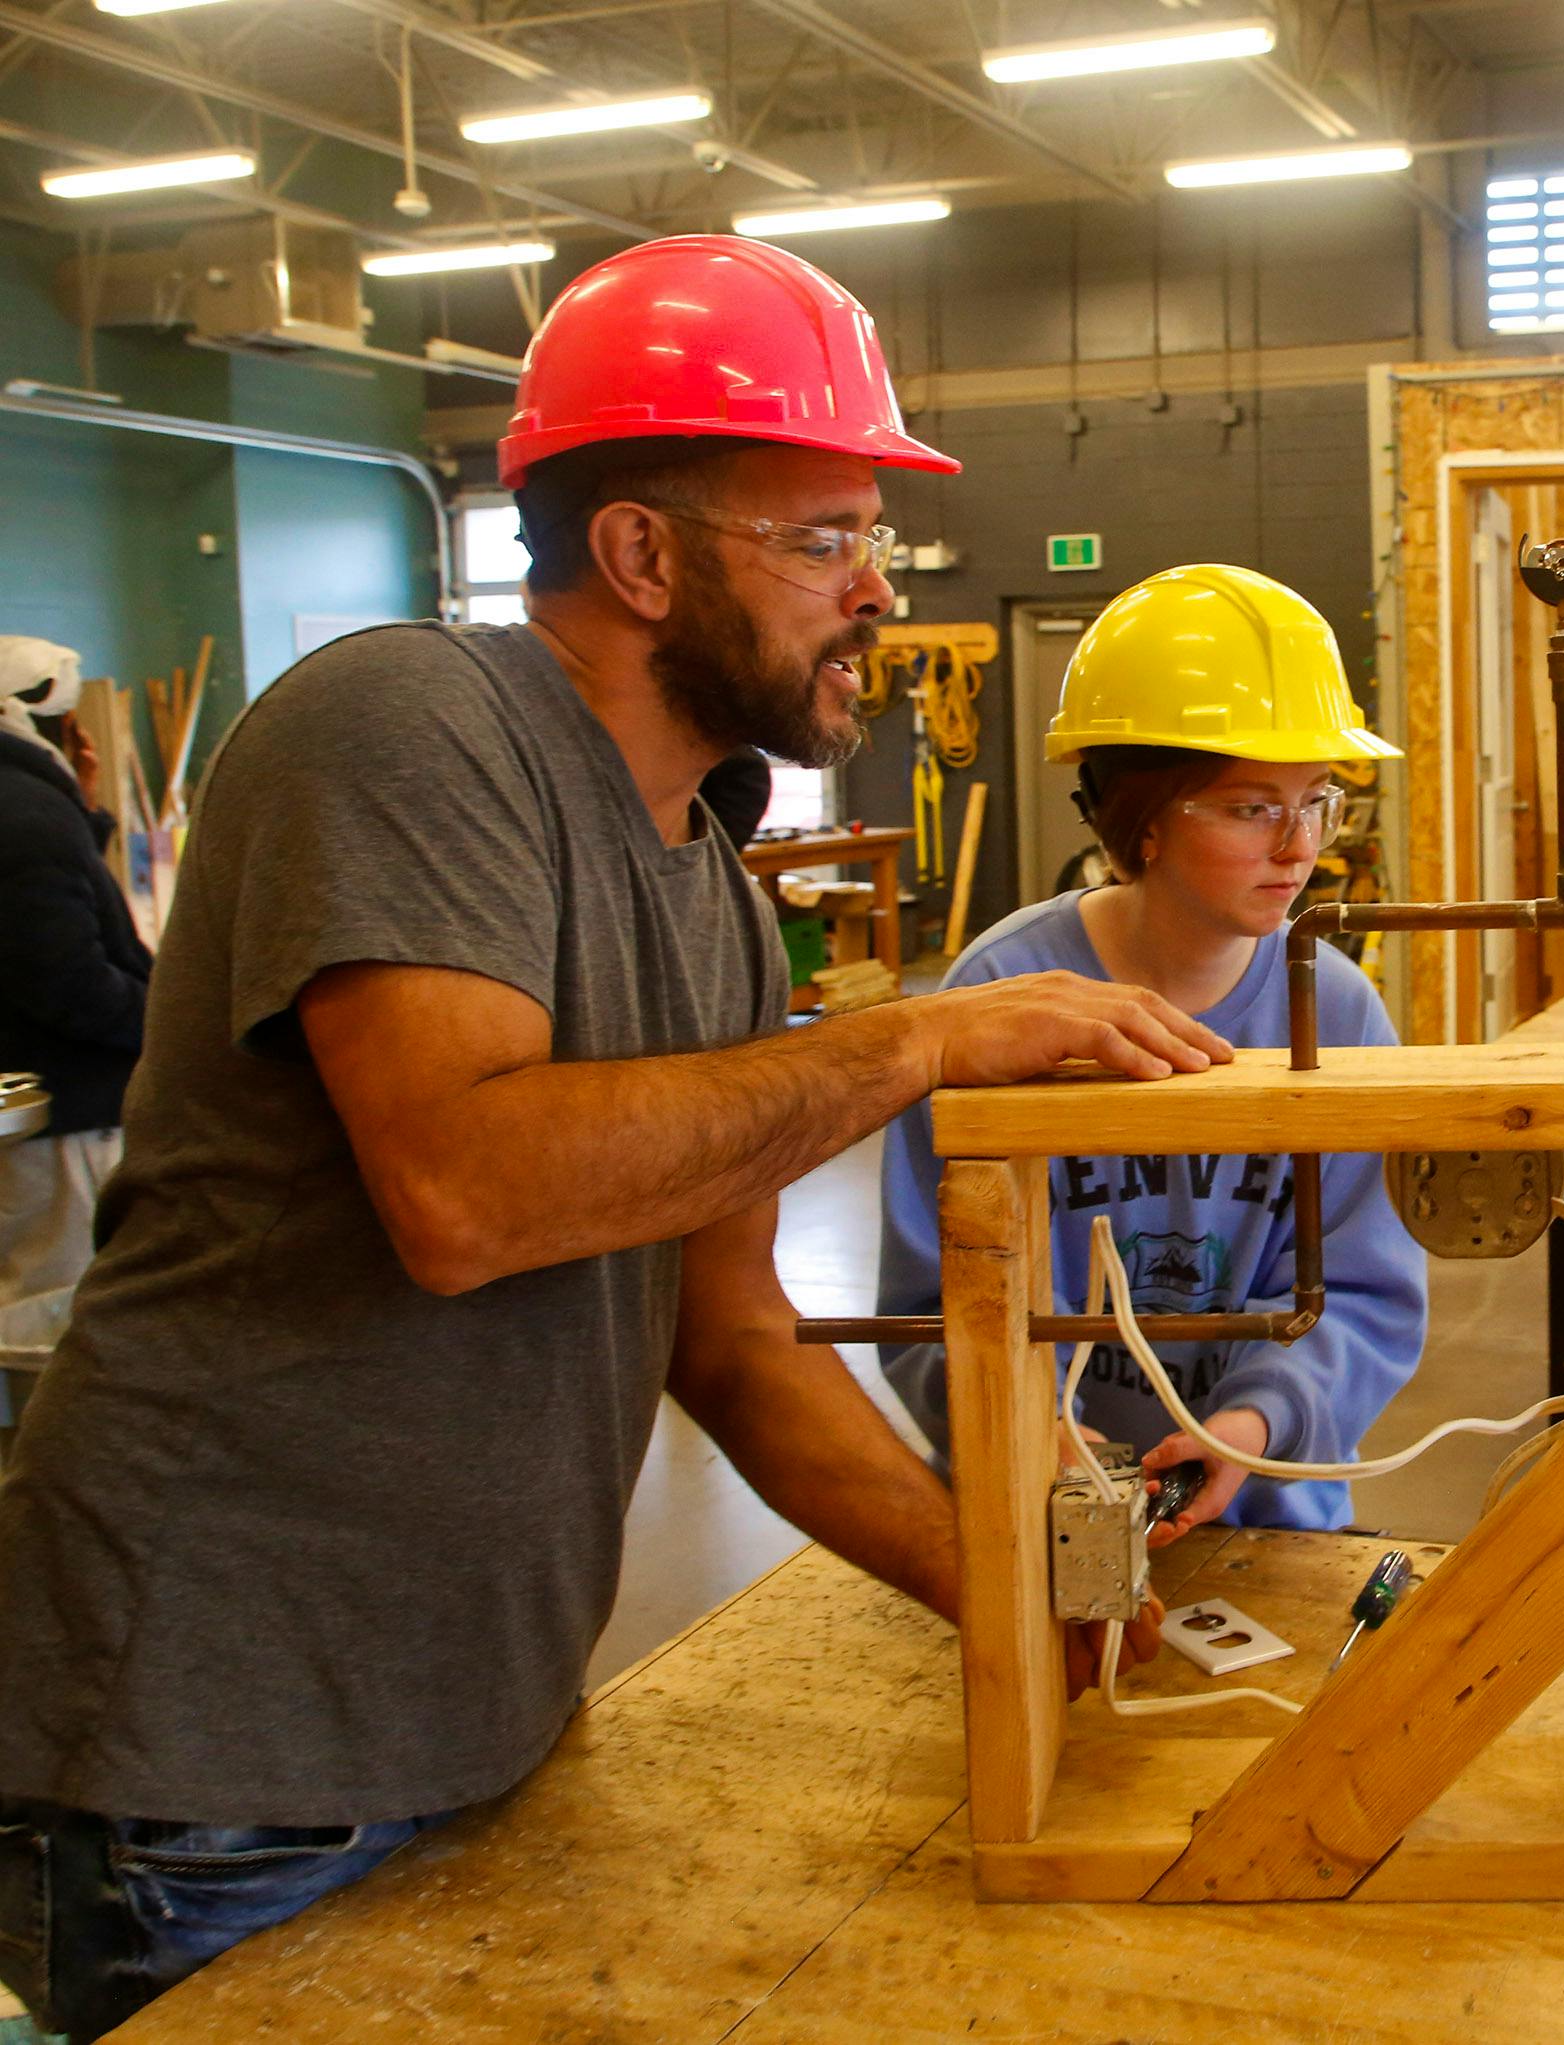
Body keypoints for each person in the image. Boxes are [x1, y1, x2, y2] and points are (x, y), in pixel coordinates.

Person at [0, 236, 1224, 2043]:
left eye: (869, 537)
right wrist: (918, 1041)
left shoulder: (711, 901)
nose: (875, 590)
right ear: (643, 555)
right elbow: (470, 1191)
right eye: (822, 538)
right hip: (218, 1755)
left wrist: (1020, 1599)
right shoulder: (411, 725)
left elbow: (724, 1334)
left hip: (467, 1713)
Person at [878, 565, 1426, 1540]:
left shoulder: (1334, 1009)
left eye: (1318, 800)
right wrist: (1028, 1421)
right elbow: (933, 1291)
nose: (1299, 847)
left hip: (1268, 1513)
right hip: (1032, 1510)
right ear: (1143, 819)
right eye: (1253, 806)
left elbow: (1368, 1292)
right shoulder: (998, 994)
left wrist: (1255, 1423)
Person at [0, 638, 150, 1451]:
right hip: (58, 1113)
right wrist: (171, 1018)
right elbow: (68, 981)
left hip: (33, 1107)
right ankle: (51, 1490)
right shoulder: (23, 819)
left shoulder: (32, 809)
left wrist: (84, 811)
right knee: (49, 1315)